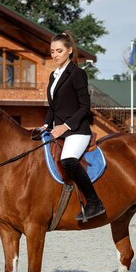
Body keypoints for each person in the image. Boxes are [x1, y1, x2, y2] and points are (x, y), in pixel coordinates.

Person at [41, 32, 105, 221]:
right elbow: (53, 107)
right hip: (58, 129)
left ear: (69, 51)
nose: (55, 55)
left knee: (68, 159)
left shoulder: (78, 74)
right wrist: (45, 125)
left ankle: (94, 202)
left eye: (59, 51)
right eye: (52, 51)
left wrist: (65, 127)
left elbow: (85, 107)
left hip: (77, 131)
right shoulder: (54, 75)